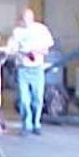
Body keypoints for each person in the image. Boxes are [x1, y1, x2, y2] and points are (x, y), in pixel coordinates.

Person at [7, 8, 54, 136]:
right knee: (24, 99)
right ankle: (26, 125)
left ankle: (36, 124)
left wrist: (35, 51)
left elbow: (47, 49)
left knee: (37, 98)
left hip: (37, 69)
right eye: (23, 19)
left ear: (32, 18)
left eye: (27, 18)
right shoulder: (17, 32)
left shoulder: (41, 30)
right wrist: (20, 53)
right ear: (20, 20)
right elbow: (11, 50)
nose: (25, 21)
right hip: (22, 69)